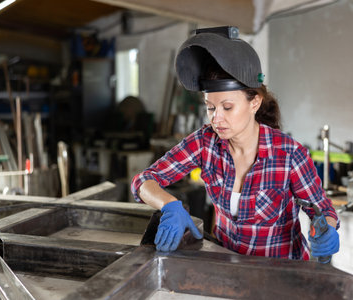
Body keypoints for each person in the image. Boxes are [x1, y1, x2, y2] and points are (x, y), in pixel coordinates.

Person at [131, 26, 339, 261]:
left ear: (254, 103)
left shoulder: (289, 154)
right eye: (210, 107)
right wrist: (170, 204)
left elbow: (322, 209)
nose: (216, 118)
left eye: (227, 107)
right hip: (228, 270)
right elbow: (143, 181)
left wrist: (326, 229)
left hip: (280, 276)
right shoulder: (205, 142)